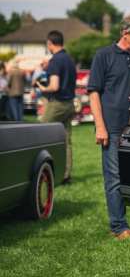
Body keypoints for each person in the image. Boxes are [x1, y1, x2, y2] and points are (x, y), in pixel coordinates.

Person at [88, 14, 130, 240]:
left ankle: (124, 225)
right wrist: (100, 127)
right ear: (125, 32)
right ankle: (119, 228)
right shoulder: (103, 56)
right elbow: (94, 93)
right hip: (111, 128)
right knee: (113, 178)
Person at [35, 30, 77, 185]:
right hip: (69, 103)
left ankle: (41, 174)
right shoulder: (69, 59)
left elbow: (54, 86)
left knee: (40, 136)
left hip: (56, 104)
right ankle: (65, 175)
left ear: (49, 43)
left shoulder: (55, 60)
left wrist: (42, 87)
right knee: (66, 141)